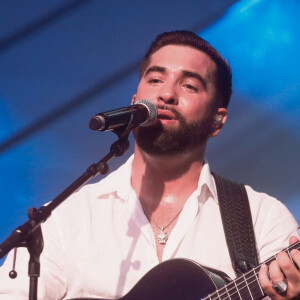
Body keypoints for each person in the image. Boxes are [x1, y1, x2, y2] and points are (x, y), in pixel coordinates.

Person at [0, 30, 299, 300]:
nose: (166, 94)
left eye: (190, 86)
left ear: (217, 120)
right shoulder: (63, 220)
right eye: (155, 80)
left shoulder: (262, 219)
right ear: (136, 100)